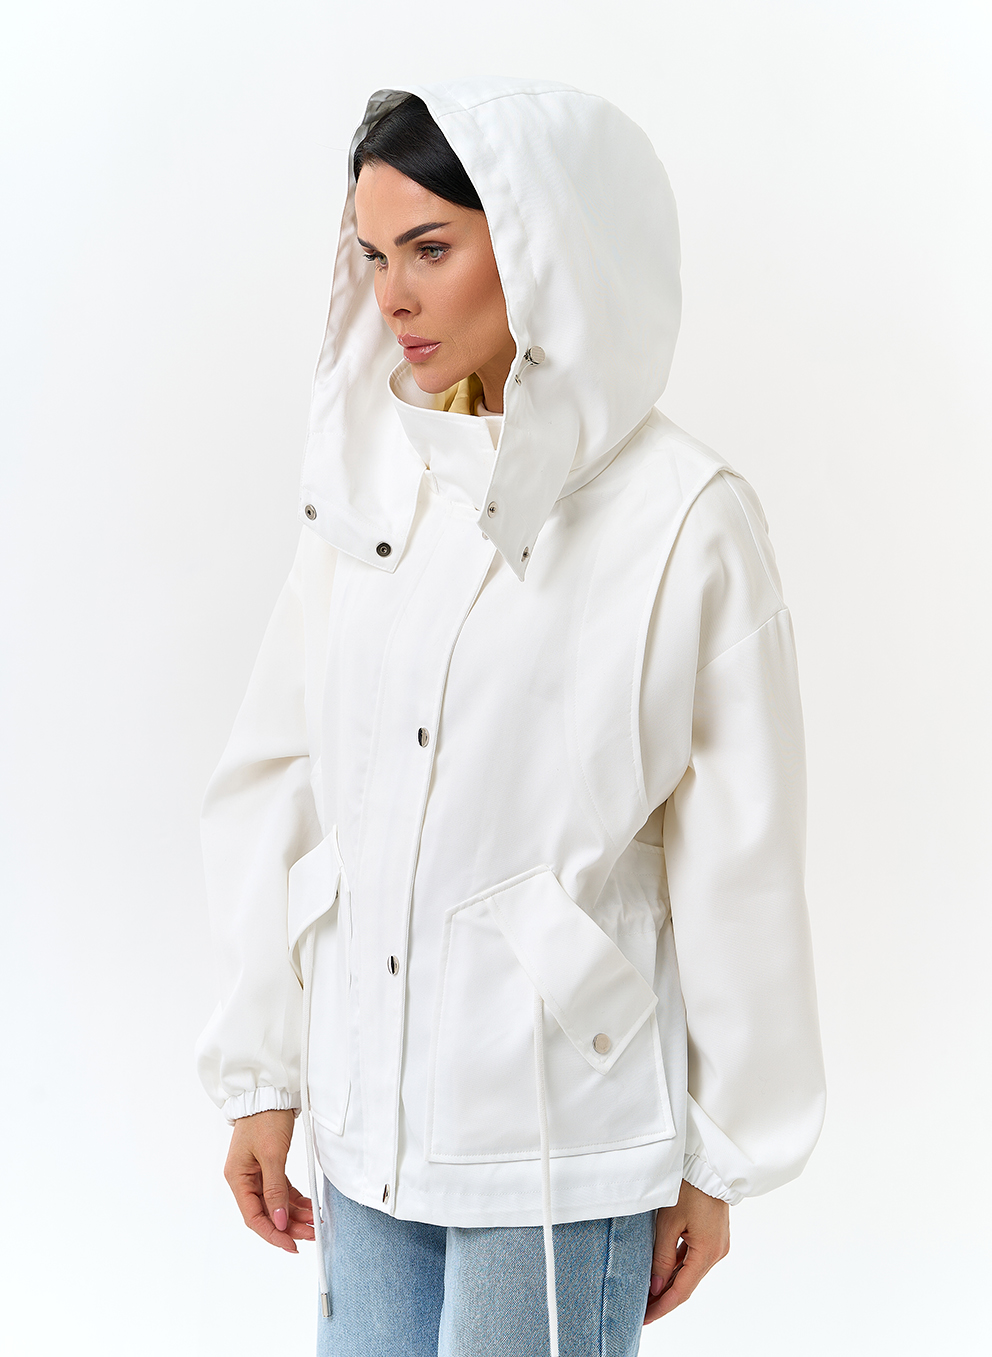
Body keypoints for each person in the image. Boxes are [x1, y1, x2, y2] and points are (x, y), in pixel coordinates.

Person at [196, 77, 826, 1357]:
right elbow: (278, 774)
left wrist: (720, 1155)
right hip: (364, 1121)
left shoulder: (685, 518)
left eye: (430, 247)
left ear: (543, 244)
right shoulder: (373, 483)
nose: (393, 296)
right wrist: (264, 1072)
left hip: (555, 1140)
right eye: (373, 255)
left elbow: (741, 857)